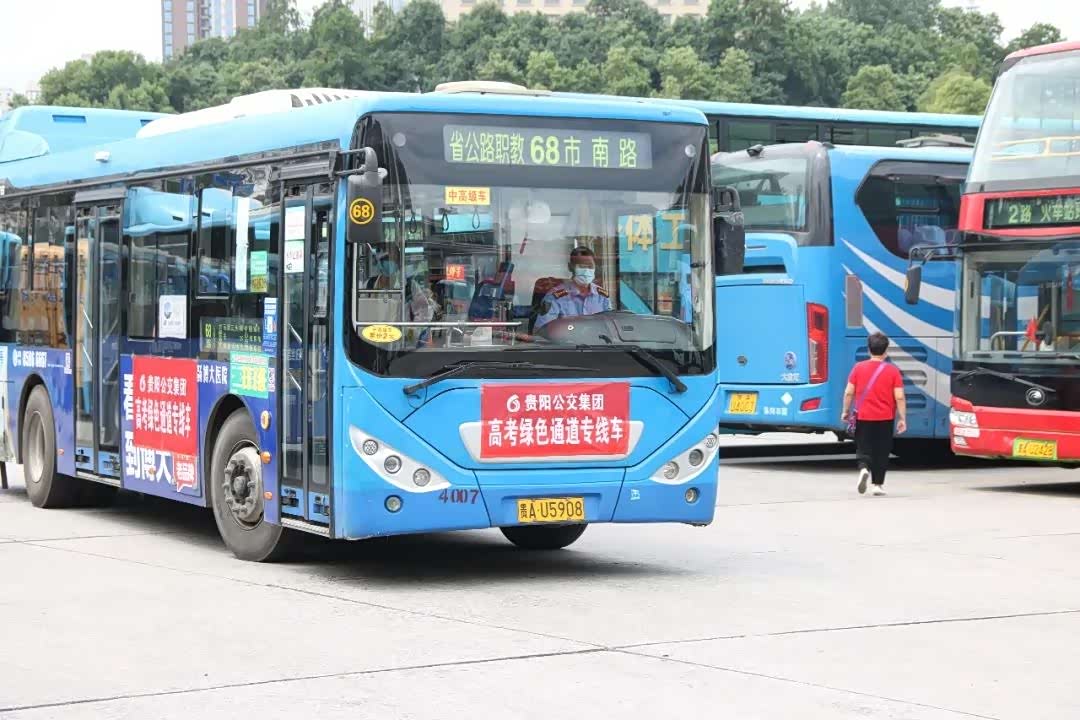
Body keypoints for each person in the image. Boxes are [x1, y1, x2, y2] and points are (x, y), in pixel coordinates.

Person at [840, 332, 907, 496]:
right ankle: (877, 485)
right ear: (886, 351)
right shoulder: (893, 371)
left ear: (869, 349)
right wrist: (902, 418)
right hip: (885, 418)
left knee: (864, 447)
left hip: (863, 416)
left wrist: (845, 411)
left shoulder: (858, 368)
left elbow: (849, 392)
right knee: (882, 451)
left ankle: (864, 468)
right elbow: (899, 396)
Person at [534, 247, 612, 331]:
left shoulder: (602, 296)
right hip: (565, 339)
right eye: (581, 266)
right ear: (570, 267)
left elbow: (610, 327)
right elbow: (541, 331)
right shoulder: (555, 297)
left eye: (590, 266)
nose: (586, 271)